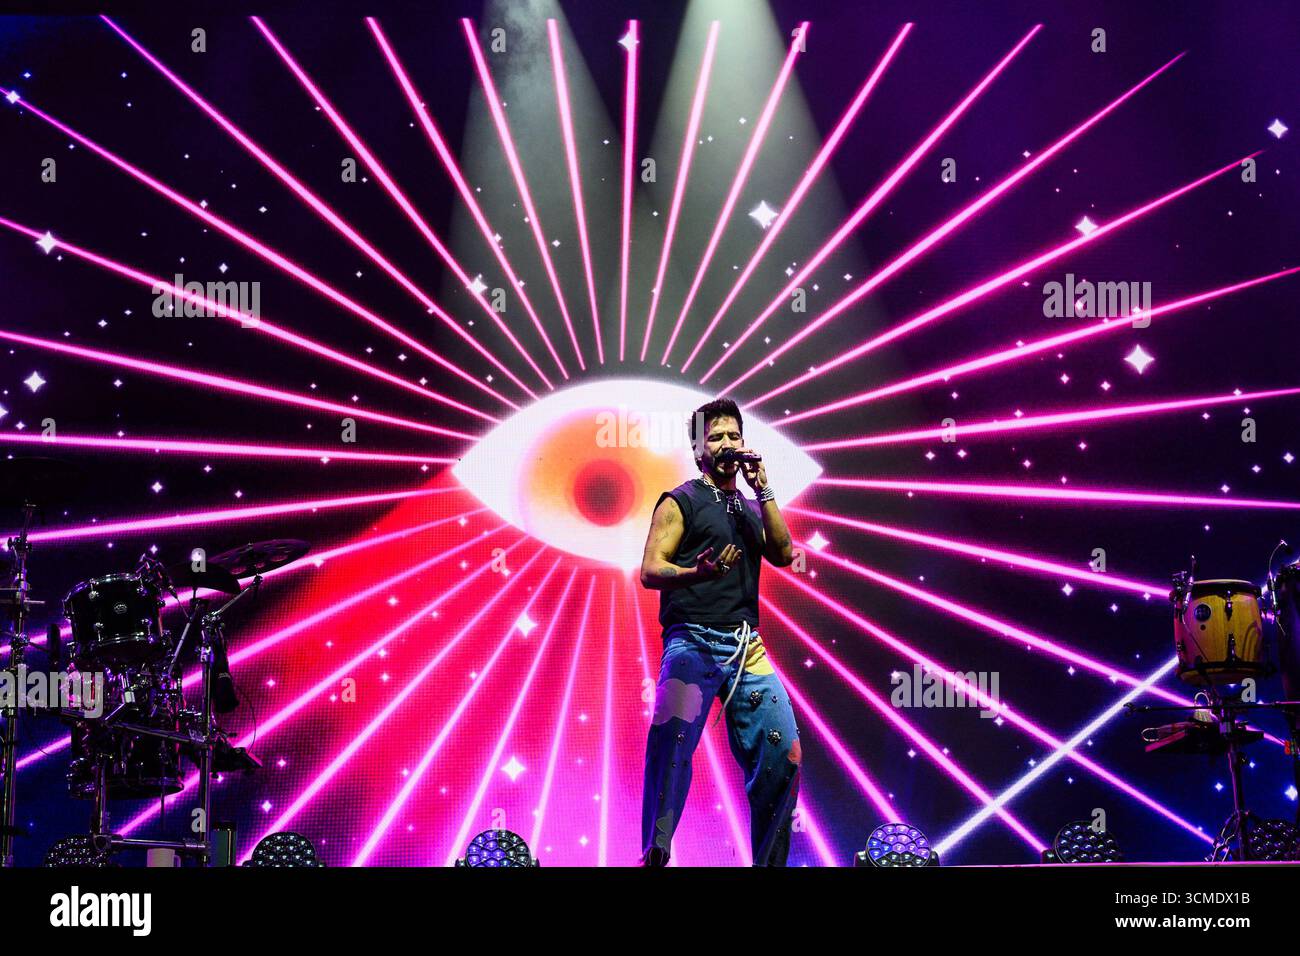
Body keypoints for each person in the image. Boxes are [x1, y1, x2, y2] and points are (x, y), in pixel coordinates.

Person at [638, 397, 799, 866]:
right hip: (691, 641)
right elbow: (650, 570)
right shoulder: (680, 500)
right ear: (697, 449)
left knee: (783, 752)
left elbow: (785, 554)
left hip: (747, 646)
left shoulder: (749, 507)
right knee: (671, 748)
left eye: (734, 436)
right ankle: (655, 854)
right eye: (716, 437)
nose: (727, 444)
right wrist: (696, 572)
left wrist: (764, 492)